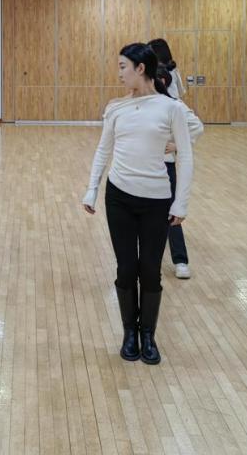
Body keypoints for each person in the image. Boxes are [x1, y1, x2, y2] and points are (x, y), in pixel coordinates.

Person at [82, 43, 193, 365]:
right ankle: (130, 333)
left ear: (140, 69)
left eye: (122, 67)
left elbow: (186, 156)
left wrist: (181, 203)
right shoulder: (116, 108)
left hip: (156, 200)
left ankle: (148, 335)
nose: (119, 73)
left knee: (151, 271)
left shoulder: (171, 108)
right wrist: (91, 189)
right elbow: (103, 150)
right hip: (119, 198)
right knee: (126, 268)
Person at [155, 65, 203, 280]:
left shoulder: (175, 106)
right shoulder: (139, 105)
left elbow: (197, 127)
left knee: (171, 214)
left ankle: (180, 260)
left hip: (165, 167)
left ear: (162, 82)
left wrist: (177, 144)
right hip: (141, 168)